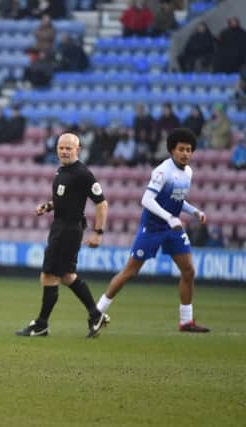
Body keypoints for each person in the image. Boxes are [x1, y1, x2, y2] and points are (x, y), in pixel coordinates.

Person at [96, 128, 210, 333]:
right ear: (172, 151)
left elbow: (177, 199)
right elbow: (146, 200)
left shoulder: (188, 172)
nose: (186, 153)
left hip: (173, 228)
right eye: (182, 149)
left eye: (189, 150)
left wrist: (194, 211)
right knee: (130, 271)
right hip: (153, 227)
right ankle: (97, 312)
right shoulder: (162, 171)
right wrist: (169, 218)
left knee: (189, 270)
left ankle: (186, 321)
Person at [16, 133, 109, 338]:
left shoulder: (83, 173)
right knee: (67, 276)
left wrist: (98, 233)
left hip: (69, 229)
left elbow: (102, 203)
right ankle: (95, 315)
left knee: (49, 275)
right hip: (61, 226)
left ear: (78, 150)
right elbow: (65, 198)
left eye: (69, 148)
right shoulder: (63, 170)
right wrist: (49, 206)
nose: (64, 151)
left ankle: (41, 324)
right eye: (61, 148)